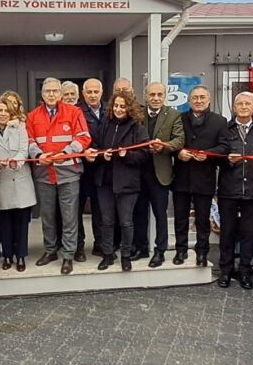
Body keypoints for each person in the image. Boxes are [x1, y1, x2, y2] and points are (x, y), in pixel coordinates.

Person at [27, 78, 91, 275]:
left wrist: (66, 153)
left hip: (68, 173)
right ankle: (50, 250)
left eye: (55, 91)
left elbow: (83, 137)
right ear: (42, 94)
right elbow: (28, 140)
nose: (52, 94)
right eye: (48, 91)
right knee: (47, 215)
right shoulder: (32, 116)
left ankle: (68, 255)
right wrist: (38, 155)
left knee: (69, 216)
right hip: (44, 172)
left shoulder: (74, 112)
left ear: (61, 94)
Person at [84, 89, 149, 271]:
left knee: (126, 222)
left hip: (127, 183)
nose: (119, 109)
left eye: (123, 106)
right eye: (116, 105)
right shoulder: (105, 123)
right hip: (105, 181)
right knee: (107, 221)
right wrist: (100, 155)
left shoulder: (137, 126)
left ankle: (126, 256)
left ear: (129, 108)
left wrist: (126, 155)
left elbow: (143, 155)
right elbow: (95, 146)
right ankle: (107, 254)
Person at [217, 92, 253, 289]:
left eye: (248, 103)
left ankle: (245, 271)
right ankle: (226, 271)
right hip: (228, 189)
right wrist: (226, 161)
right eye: (239, 103)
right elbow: (216, 156)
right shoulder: (225, 130)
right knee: (227, 232)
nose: (243, 106)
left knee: (249, 233)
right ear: (234, 107)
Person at [171, 86, 229, 270]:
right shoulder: (179, 118)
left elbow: (225, 147)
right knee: (180, 218)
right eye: (194, 97)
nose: (198, 100)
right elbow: (171, 144)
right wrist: (178, 153)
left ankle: (202, 252)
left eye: (202, 97)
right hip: (181, 177)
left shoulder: (220, 121)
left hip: (205, 178)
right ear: (189, 101)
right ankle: (181, 250)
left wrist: (209, 154)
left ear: (209, 99)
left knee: (203, 220)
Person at [132, 81, 185, 267]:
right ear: (146, 96)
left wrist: (163, 147)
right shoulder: (137, 114)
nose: (155, 98)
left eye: (159, 95)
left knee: (160, 215)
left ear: (165, 96)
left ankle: (160, 251)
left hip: (160, 173)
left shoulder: (173, 115)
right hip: (138, 172)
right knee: (139, 213)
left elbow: (179, 140)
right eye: (152, 95)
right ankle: (141, 247)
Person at [0, 94, 35, 272]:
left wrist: (17, 161)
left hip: (20, 180)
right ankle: (7, 255)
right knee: (5, 222)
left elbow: (25, 149)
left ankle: (20, 256)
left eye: (6, 110)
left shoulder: (21, 127)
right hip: (1, 181)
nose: (3, 114)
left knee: (21, 223)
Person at [78, 78, 106, 257]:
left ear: (101, 92)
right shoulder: (76, 112)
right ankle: (78, 247)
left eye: (96, 92)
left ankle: (100, 244)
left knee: (100, 209)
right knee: (76, 210)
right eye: (89, 92)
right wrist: (86, 151)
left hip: (103, 168)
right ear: (84, 94)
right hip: (80, 168)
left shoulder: (110, 111)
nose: (93, 95)